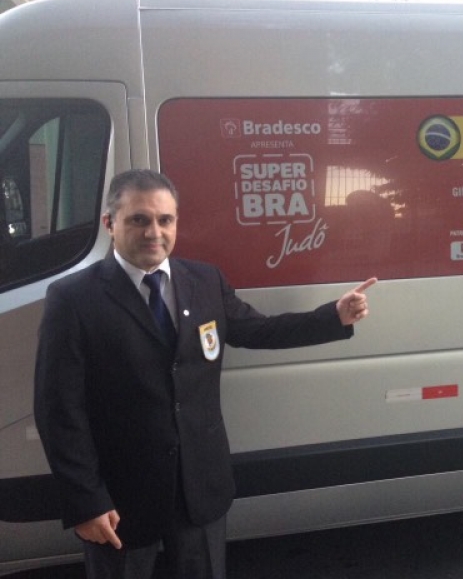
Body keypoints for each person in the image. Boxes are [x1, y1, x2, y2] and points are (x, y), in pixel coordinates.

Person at [34, 169, 376, 579]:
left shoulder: (204, 280)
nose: (154, 232)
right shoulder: (73, 298)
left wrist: (332, 317)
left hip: (199, 488)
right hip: (120, 497)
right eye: (138, 219)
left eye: (165, 220)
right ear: (110, 223)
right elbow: (59, 411)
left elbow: (258, 330)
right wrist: (86, 500)